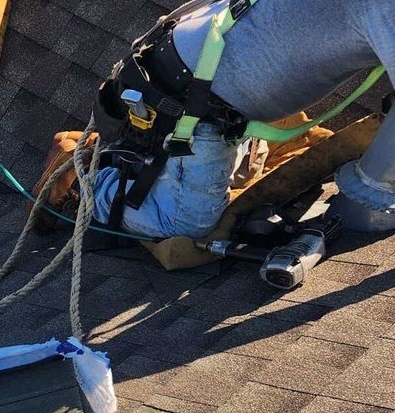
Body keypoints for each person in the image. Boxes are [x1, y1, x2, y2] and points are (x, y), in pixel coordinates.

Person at [37, 0, 394, 240]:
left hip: (212, 83)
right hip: (190, 99)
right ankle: (84, 178)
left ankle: (137, 158)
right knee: (188, 223)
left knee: (244, 176)